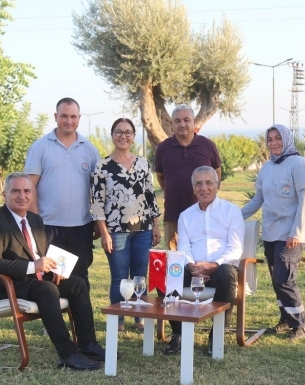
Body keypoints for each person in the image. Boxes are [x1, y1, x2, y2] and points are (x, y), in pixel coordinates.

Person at [0, 172, 106, 371]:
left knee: (77, 283)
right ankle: (68, 354)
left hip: (36, 281)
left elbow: (43, 252)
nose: (22, 196)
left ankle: (88, 345)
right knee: (47, 290)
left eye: (27, 191)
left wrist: (56, 268)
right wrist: (32, 266)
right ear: (5, 194)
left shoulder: (35, 220)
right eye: (16, 191)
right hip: (10, 283)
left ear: (33, 194)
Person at [241, 124, 305, 340]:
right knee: (276, 279)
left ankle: (301, 325)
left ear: (287, 139)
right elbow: (258, 200)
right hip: (270, 233)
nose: (273, 143)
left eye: (278, 138)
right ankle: (286, 319)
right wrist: (233, 216)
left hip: (290, 234)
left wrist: (297, 232)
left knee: (284, 280)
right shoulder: (267, 167)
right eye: (270, 139)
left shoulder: (299, 164)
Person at [163, 166, 244, 356]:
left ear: (217, 186)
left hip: (221, 269)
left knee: (226, 273)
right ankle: (178, 334)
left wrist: (213, 265)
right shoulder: (186, 216)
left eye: (209, 183)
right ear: (193, 188)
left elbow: (235, 248)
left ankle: (216, 335)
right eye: (198, 184)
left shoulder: (231, 211)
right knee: (170, 274)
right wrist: (192, 267)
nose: (204, 188)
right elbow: (183, 247)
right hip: (193, 270)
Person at [91, 118, 161, 332]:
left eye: (128, 132)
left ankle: (139, 317)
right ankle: (118, 319)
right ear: (112, 135)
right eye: (119, 132)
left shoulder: (142, 163)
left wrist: (156, 225)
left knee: (140, 276)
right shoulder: (102, 167)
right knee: (119, 278)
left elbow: (150, 195)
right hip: (116, 231)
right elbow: (97, 203)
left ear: (133, 135)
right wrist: (104, 233)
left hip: (143, 230)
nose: (124, 136)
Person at [25, 97, 100, 290]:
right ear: (55, 117)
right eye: (64, 116)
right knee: (52, 279)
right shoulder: (40, 147)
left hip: (81, 227)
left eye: (73, 116)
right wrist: (36, 224)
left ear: (79, 118)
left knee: (80, 277)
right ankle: (55, 320)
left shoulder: (90, 149)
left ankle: (81, 320)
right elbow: (29, 187)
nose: (69, 121)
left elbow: (99, 190)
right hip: (48, 227)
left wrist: (100, 222)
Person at [154, 105, 222, 250]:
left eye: (186, 120)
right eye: (177, 121)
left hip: (204, 215)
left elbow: (217, 174)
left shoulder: (208, 145)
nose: (182, 124)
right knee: (176, 263)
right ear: (172, 124)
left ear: (194, 121)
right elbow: (161, 176)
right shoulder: (163, 148)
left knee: (204, 256)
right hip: (174, 216)